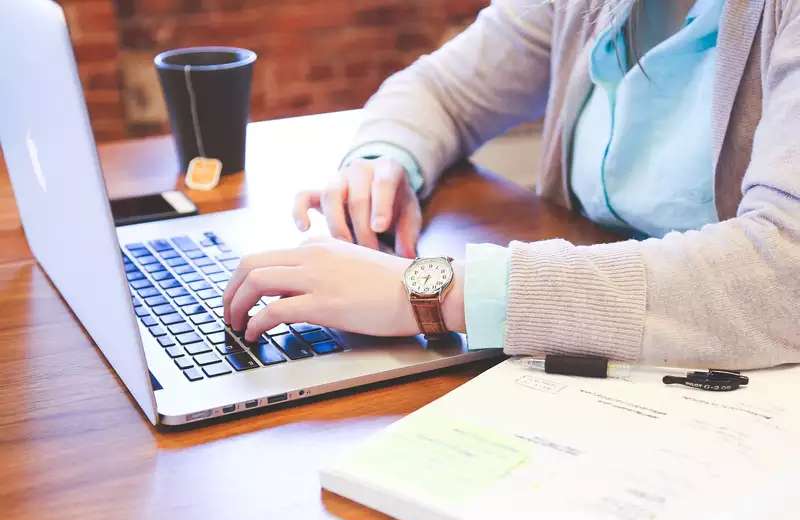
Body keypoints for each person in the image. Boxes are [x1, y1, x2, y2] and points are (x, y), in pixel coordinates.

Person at [223, 0, 800, 369]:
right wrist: (384, 161)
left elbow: (783, 271)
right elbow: (441, 89)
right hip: (602, 362)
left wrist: (432, 293)